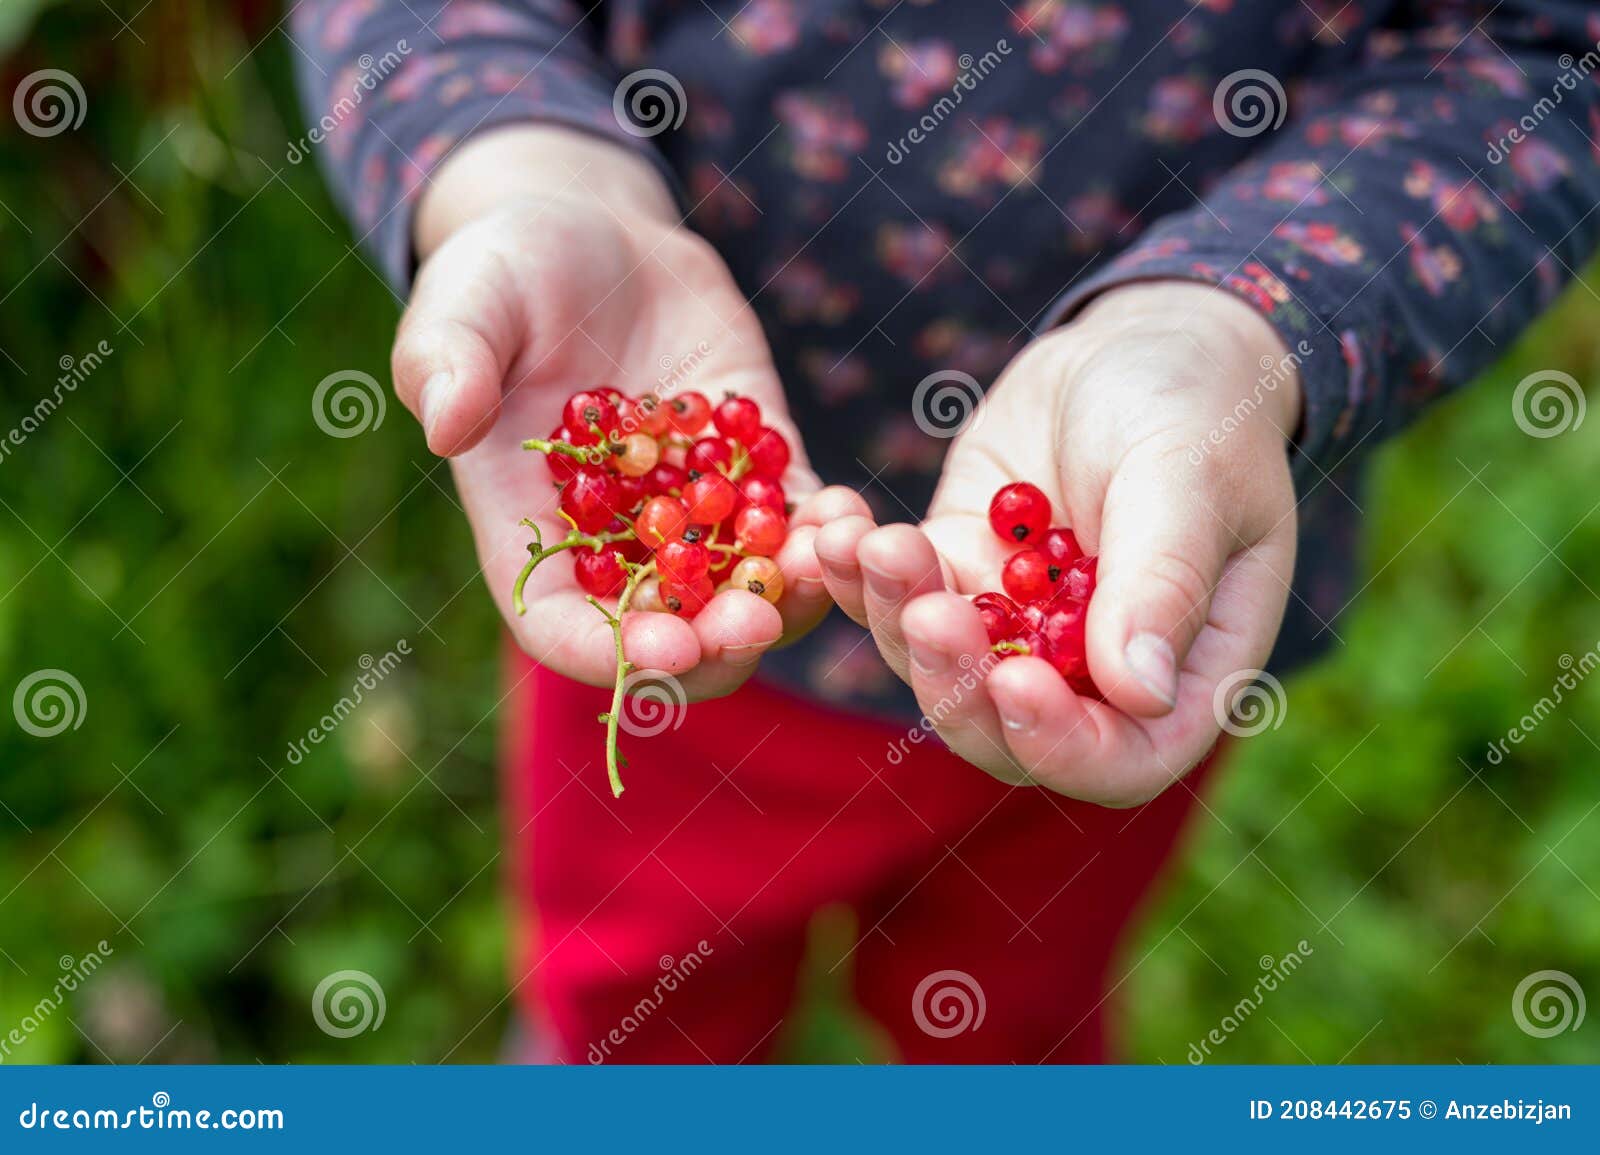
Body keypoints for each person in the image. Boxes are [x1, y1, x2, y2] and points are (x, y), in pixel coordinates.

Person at [293, 1, 1600, 1062]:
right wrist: (519, 167)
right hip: (703, 654)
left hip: (1127, 561)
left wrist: (1236, 323)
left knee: (1016, 1008)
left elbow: (1537, 50)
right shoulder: (664, 561)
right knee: (640, 1004)